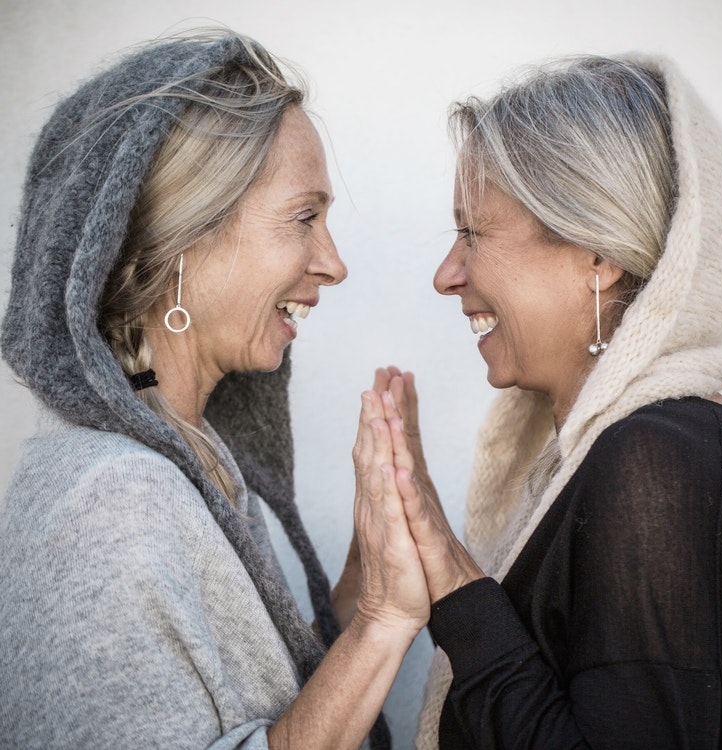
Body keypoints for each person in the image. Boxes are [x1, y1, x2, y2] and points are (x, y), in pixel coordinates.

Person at [0, 30, 431, 749]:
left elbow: (258, 709)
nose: (334, 263)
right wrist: (386, 623)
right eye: (305, 217)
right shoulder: (111, 498)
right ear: (184, 242)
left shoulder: (186, 457)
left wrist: (363, 582)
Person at [356, 55, 722, 748]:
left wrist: (452, 580)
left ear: (597, 255)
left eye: (472, 232)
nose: (446, 275)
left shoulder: (654, 464)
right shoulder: (641, 453)